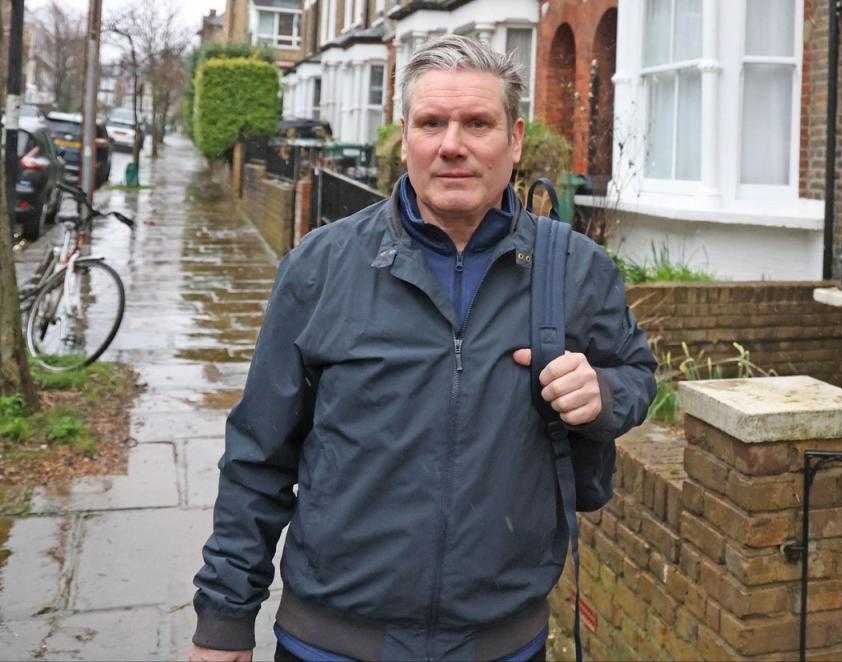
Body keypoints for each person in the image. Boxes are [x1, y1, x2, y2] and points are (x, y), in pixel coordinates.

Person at [190, 35, 658, 662]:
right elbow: (258, 457)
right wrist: (223, 622)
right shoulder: (321, 267)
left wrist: (603, 394)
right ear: (404, 135)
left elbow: (636, 374)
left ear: (515, 140)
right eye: (432, 123)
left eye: (478, 123)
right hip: (330, 642)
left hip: (502, 644)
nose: (452, 145)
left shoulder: (576, 268)